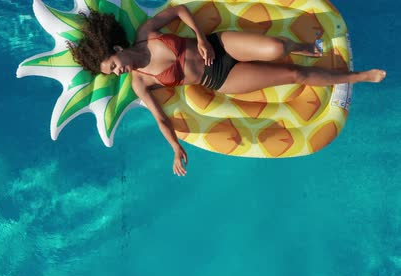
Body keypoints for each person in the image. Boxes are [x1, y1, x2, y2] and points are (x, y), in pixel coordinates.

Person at [67, 6, 386, 176]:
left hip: (218, 44)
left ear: (117, 48)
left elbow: (179, 10)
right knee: (293, 73)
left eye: (112, 64)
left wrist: (201, 39)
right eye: (111, 73)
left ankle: (304, 45)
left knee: (277, 48)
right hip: (220, 79)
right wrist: (175, 148)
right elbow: (160, 118)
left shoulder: (145, 34)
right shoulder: (140, 82)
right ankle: (358, 76)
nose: (118, 71)